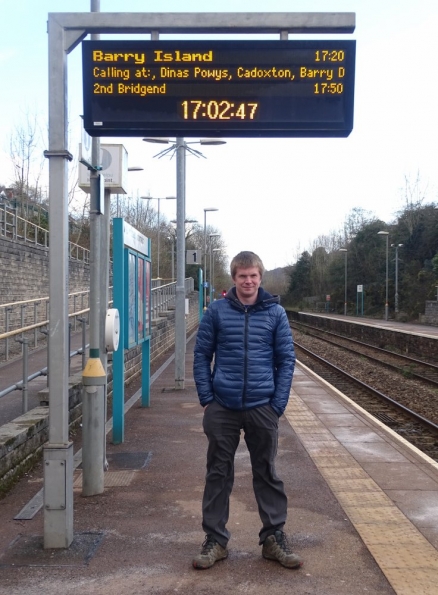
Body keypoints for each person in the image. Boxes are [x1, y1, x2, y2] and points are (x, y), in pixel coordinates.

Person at [192, 251, 302, 570]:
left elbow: (286, 360)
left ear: (260, 277)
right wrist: (207, 399)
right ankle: (215, 540)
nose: (248, 281)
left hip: (262, 406)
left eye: (253, 275)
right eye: (242, 276)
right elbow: (201, 356)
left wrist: (277, 405)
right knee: (218, 473)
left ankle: (273, 538)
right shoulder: (216, 311)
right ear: (234, 279)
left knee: (266, 472)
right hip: (222, 407)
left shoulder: (275, 314)